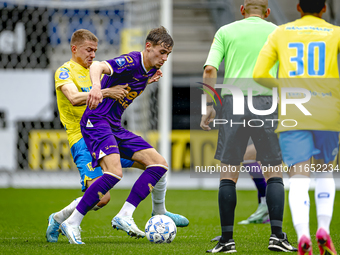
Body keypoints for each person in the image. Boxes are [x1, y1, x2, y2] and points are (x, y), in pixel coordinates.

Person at [46, 29, 188, 243]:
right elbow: (85, 87)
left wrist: (144, 81)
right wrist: (99, 89)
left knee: (158, 165)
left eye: (95, 50)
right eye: (88, 50)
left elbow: (118, 82)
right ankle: (66, 221)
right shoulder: (68, 71)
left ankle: (151, 212)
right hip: (89, 131)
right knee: (108, 187)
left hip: (111, 127)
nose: (92, 55)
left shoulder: (147, 69)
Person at [201, 0, 297, 253]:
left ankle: (227, 241)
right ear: (267, 12)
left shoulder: (226, 31)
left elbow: (210, 69)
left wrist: (210, 105)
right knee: (274, 172)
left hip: (233, 101)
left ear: (242, 10)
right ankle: (277, 237)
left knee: (228, 174)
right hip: (267, 102)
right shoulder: (278, 32)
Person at [253, 0, 339, 254]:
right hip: (328, 114)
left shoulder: (280, 32)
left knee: (299, 176)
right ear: (324, 9)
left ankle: (303, 235)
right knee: (325, 172)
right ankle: (323, 228)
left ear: (298, 8)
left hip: (294, 113)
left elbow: (259, 73)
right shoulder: (335, 33)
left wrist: (286, 87)